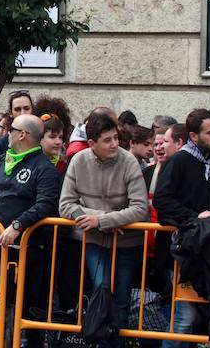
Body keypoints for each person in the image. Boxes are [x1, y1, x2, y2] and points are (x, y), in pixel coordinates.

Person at [0, 113, 59, 336]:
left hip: (21, 251)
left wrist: (17, 226)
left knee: (19, 310)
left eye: (10, 129)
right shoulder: (2, 158)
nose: (5, 133)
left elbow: (46, 204)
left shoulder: (44, 168)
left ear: (22, 135)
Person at [59, 111, 149, 346]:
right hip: (94, 241)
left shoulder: (128, 161)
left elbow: (141, 209)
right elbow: (66, 205)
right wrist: (98, 219)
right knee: (101, 289)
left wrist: (102, 221)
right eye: (107, 140)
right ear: (91, 144)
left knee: (121, 297)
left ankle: (117, 344)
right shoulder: (78, 161)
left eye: (116, 138)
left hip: (128, 242)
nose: (114, 144)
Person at [154, 108, 210, 348]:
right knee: (185, 317)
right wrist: (194, 218)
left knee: (200, 318)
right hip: (181, 251)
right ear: (193, 136)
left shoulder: (209, 162)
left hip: (204, 250)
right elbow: (162, 200)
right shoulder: (180, 160)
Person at [0, 90, 33, 156]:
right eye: (17, 109)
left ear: (32, 110)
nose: (22, 113)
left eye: (26, 108)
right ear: (11, 113)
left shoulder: (41, 138)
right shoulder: (2, 144)